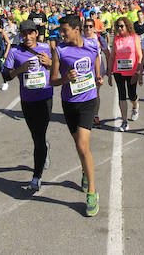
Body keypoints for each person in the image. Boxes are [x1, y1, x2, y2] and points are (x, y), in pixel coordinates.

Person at [50, 14, 103, 217]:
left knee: (83, 145)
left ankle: (92, 192)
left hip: (89, 101)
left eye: (64, 31)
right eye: (60, 31)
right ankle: (84, 169)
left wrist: (98, 74)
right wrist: (65, 79)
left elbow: (96, 58)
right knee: (79, 146)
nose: (61, 34)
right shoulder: (60, 51)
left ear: (76, 29)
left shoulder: (91, 44)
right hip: (69, 103)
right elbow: (52, 80)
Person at [2, 20, 54, 190]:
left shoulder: (46, 48)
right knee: (36, 136)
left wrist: (50, 63)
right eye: (24, 34)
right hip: (28, 99)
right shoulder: (15, 51)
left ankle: (36, 176)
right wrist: (20, 69)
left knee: (39, 135)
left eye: (31, 33)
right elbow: (6, 76)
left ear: (36, 34)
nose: (28, 37)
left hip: (45, 96)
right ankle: (43, 148)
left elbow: (59, 69)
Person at [109, 17, 143, 131]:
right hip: (118, 71)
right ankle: (124, 121)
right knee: (121, 95)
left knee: (132, 95)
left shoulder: (134, 37)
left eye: (122, 26)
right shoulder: (116, 39)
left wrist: (138, 72)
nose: (119, 28)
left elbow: (140, 56)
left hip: (132, 71)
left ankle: (135, 106)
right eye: (118, 26)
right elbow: (112, 56)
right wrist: (109, 73)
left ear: (127, 26)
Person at [83, 18, 109, 128]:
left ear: (94, 28)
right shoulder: (80, 39)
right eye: (86, 26)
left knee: (95, 93)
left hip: (98, 70)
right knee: (85, 92)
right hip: (84, 70)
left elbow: (107, 54)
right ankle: (85, 114)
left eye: (90, 26)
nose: (88, 28)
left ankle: (95, 115)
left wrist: (109, 69)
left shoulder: (99, 39)